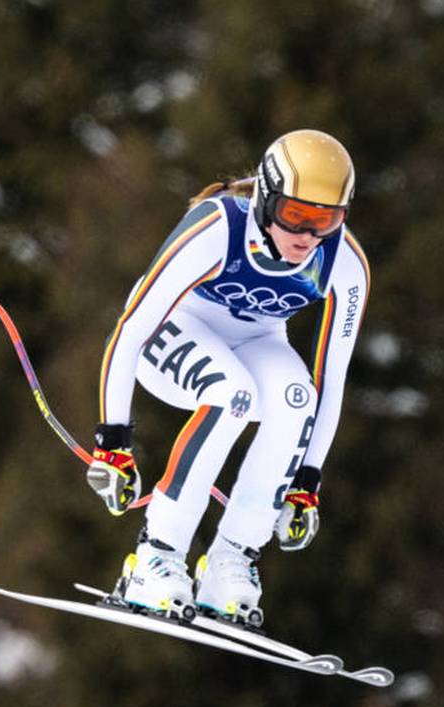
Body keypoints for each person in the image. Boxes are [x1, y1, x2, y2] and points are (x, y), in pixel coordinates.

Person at [85, 129, 370, 626]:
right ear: (266, 199)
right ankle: (156, 556)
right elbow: (131, 330)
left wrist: (307, 482)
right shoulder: (218, 228)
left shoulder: (343, 263)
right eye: (295, 215)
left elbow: (330, 378)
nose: (307, 236)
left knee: (296, 399)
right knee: (231, 393)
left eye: (326, 220)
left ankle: (231, 561)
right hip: (174, 328)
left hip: (258, 339)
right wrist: (113, 444)